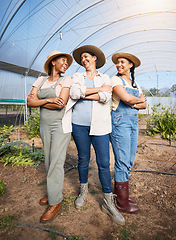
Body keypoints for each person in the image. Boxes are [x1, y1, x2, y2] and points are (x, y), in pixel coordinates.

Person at [63, 45, 125, 225]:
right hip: (79, 125)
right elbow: (74, 93)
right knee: (83, 159)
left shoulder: (104, 77)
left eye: (86, 57)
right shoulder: (77, 76)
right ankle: (83, 191)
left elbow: (107, 96)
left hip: (100, 126)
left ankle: (108, 201)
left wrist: (84, 93)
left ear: (94, 58)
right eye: (81, 58)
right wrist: (97, 91)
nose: (83, 60)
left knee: (104, 163)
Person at [27, 50, 73, 223]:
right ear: (53, 62)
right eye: (63, 60)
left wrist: (41, 102)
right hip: (44, 125)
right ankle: (53, 192)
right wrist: (48, 101)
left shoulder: (66, 80)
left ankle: (55, 203)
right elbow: (29, 102)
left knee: (56, 162)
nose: (66, 63)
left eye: (67, 62)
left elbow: (61, 103)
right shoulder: (41, 80)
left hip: (60, 126)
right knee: (48, 160)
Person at [110, 52, 147, 214]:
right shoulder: (115, 80)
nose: (119, 65)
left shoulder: (134, 84)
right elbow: (127, 99)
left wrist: (137, 102)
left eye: (122, 62)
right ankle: (122, 203)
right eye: (117, 62)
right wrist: (139, 100)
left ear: (130, 65)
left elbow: (144, 106)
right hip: (120, 122)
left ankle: (119, 194)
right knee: (122, 159)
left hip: (133, 122)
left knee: (130, 158)